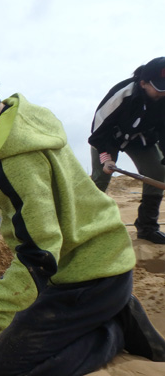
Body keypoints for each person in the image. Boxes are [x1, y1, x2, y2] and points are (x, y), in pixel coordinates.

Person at [0, 59, 165, 376]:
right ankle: (107, 308)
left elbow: (39, 253)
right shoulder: (21, 118)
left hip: (91, 274)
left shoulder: (14, 159)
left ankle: (112, 331)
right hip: (96, 254)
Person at [89, 57, 165, 244]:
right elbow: (98, 132)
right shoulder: (123, 95)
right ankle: (86, 226)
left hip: (141, 139)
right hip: (108, 138)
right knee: (101, 177)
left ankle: (147, 227)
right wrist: (106, 158)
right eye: (159, 87)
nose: (163, 92)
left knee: (158, 172)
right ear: (143, 83)